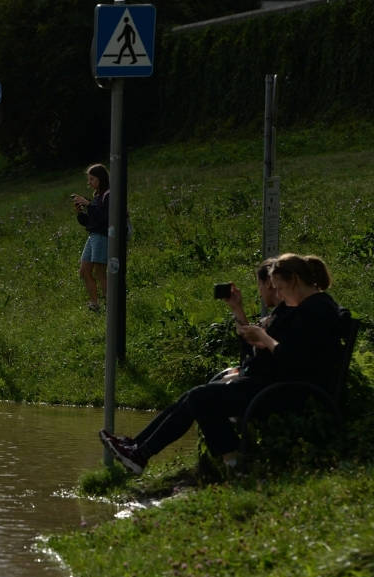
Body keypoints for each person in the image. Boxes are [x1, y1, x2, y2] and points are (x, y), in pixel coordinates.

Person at [100, 253, 343, 474]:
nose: (279, 295)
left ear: (294, 281)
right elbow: (279, 353)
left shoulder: (315, 310)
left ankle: (230, 461)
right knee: (198, 396)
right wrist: (258, 337)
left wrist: (265, 338)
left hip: (289, 391)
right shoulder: (306, 307)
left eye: (280, 288)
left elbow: (293, 358)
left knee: (201, 398)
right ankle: (138, 449)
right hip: (276, 384)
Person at [71, 163, 110, 312]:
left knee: (100, 272)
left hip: (101, 236)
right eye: (89, 179)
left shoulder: (108, 195)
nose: (89, 183)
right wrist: (80, 213)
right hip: (93, 236)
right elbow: (91, 222)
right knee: (84, 271)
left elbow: (105, 219)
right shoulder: (97, 196)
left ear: (101, 178)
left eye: (92, 179)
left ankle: (108, 304)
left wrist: (88, 205)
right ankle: (94, 303)